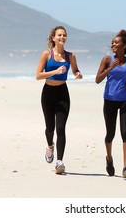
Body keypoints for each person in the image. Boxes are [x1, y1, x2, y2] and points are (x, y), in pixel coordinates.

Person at [36, 26, 83, 174]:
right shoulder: (46, 54)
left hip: (63, 93)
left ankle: (59, 161)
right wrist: (56, 71)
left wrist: (77, 74)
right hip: (48, 93)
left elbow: (75, 69)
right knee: (50, 128)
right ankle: (50, 145)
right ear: (53, 38)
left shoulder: (70, 56)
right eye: (59, 35)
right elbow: (38, 75)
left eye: (64, 35)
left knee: (61, 128)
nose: (62, 37)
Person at [95, 29, 126, 178]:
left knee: (125, 133)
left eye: (116, 42)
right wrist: (111, 68)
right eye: (112, 42)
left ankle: (125, 167)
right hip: (109, 100)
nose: (113, 44)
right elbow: (98, 79)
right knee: (110, 134)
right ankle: (109, 158)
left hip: (125, 100)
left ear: (124, 45)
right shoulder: (107, 60)